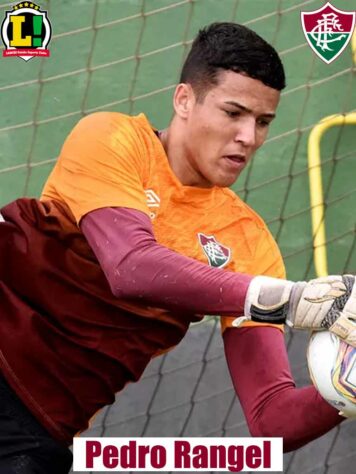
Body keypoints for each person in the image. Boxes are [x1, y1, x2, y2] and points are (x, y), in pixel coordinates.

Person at [0, 22, 355, 474]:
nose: (250, 136)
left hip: (36, 429)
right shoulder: (113, 138)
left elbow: (273, 419)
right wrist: (291, 299)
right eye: (233, 113)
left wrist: (341, 393)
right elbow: (130, 267)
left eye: (263, 121)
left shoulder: (248, 240)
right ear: (184, 100)